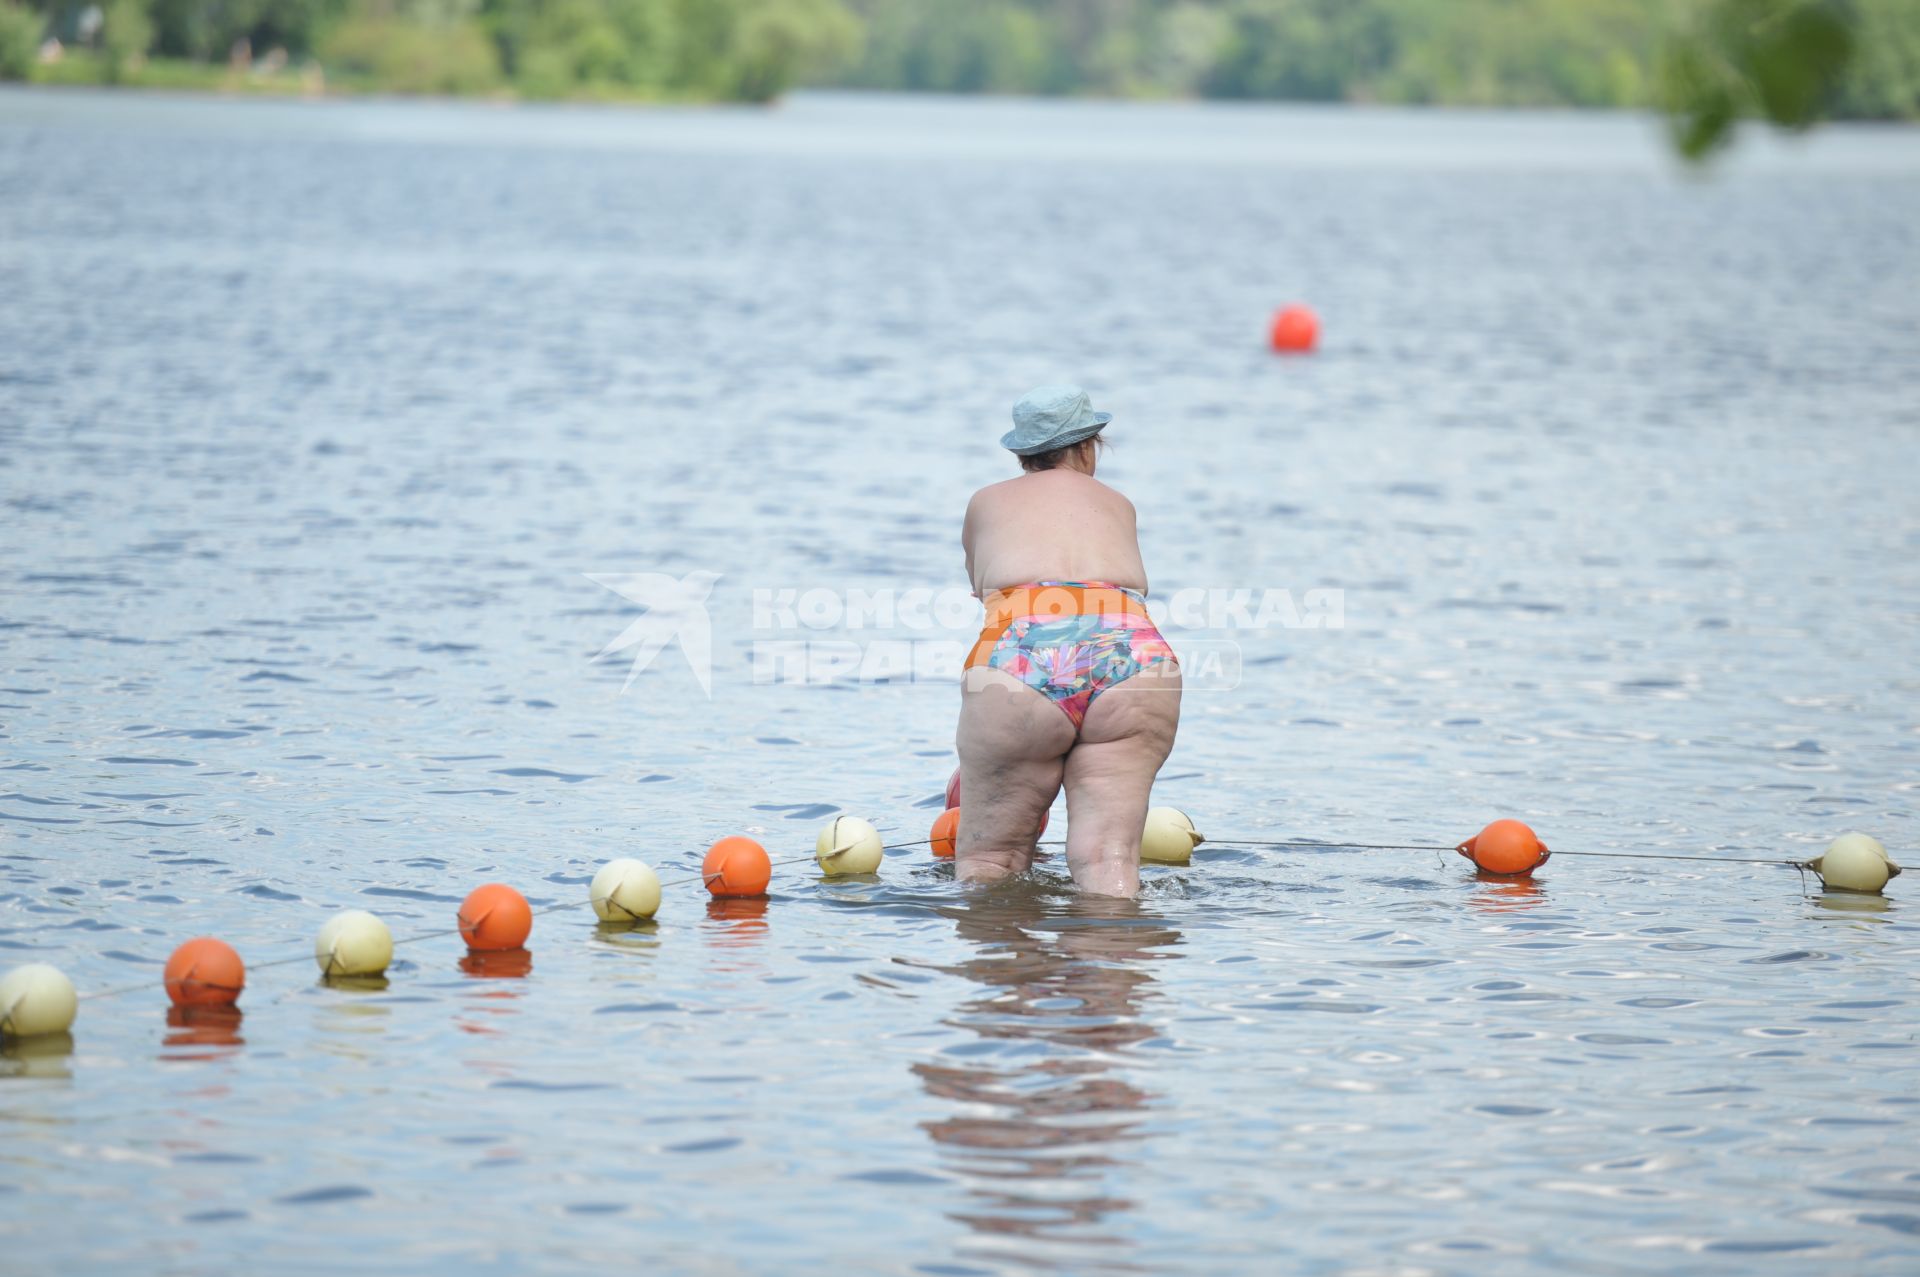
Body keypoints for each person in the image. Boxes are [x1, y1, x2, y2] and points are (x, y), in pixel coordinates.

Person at [956, 385, 1182, 897]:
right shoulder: (1118, 504)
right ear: (1087, 447)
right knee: (1109, 859)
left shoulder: (986, 502)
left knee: (990, 860)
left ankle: (1006, 965)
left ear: (1021, 454)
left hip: (1023, 648)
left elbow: (980, 586)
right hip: (1132, 651)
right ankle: (1110, 959)